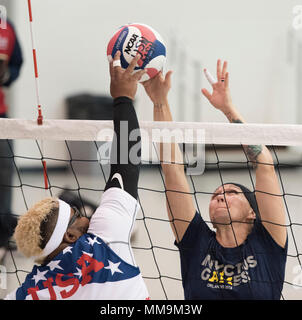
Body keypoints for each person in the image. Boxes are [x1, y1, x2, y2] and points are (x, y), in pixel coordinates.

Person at [4, 51, 149, 300]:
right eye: (77, 215)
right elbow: (128, 161)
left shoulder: (26, 293)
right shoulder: (105, 240)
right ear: (70, 236)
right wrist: (124, 97)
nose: (85, 217)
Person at [142, 60, 287, 300]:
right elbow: (173, 171)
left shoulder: (268, 242)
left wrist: (228, 109)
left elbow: (264, 165)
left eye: (231, 193)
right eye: (215, 195)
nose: (220, 195)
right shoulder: (196, 241)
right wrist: (159, 101)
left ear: (253, 212)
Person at [0, 18, 23, 261]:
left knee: (4, 170)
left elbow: (17, 63)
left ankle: (3, 231)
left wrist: (7, 75)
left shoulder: (8, 27)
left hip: (1, 114)